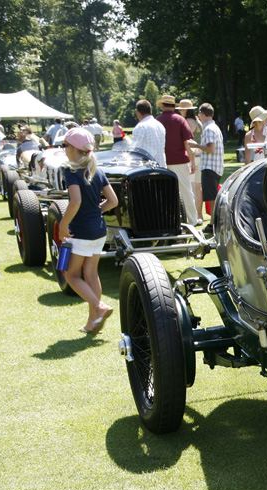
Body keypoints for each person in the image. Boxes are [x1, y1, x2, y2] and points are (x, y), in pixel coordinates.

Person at [56, 127, 118, 332]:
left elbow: (75, 201)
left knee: (71, 275)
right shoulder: (96, 170)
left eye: (65, 145)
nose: (63, 149)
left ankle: (99, 308)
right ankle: (94, 323)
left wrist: (63, 225)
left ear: (73, 149)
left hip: (80, 231)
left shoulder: (71, 170)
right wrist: (96, 210)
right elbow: (113, 201)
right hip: (99, 230)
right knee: (91, 274)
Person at [157, 95, 196, 222]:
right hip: (179, 160)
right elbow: (187, 143)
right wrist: (193, 161)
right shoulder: (180, 120)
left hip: (162, 161)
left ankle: (169, 219)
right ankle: (193, 219)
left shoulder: (157, 121)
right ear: (174, 106)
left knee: (166, 192)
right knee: (186, 190)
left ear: (163, 106)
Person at [186, 103, 222, 224]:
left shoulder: (208, 128)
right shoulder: (214, 127)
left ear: (201, 113)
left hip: (210, 166)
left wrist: (195, 145)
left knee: (212, 198)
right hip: (216, 166)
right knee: (212, 197)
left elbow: (211, 148)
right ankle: (213, 222)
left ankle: (213, 223)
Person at [132, 99, 167, 166]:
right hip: (162, 167)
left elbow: (133, 150)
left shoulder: (140, 127)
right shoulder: (160, 125)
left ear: (137, 112)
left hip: (148, 169)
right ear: (150, 110)